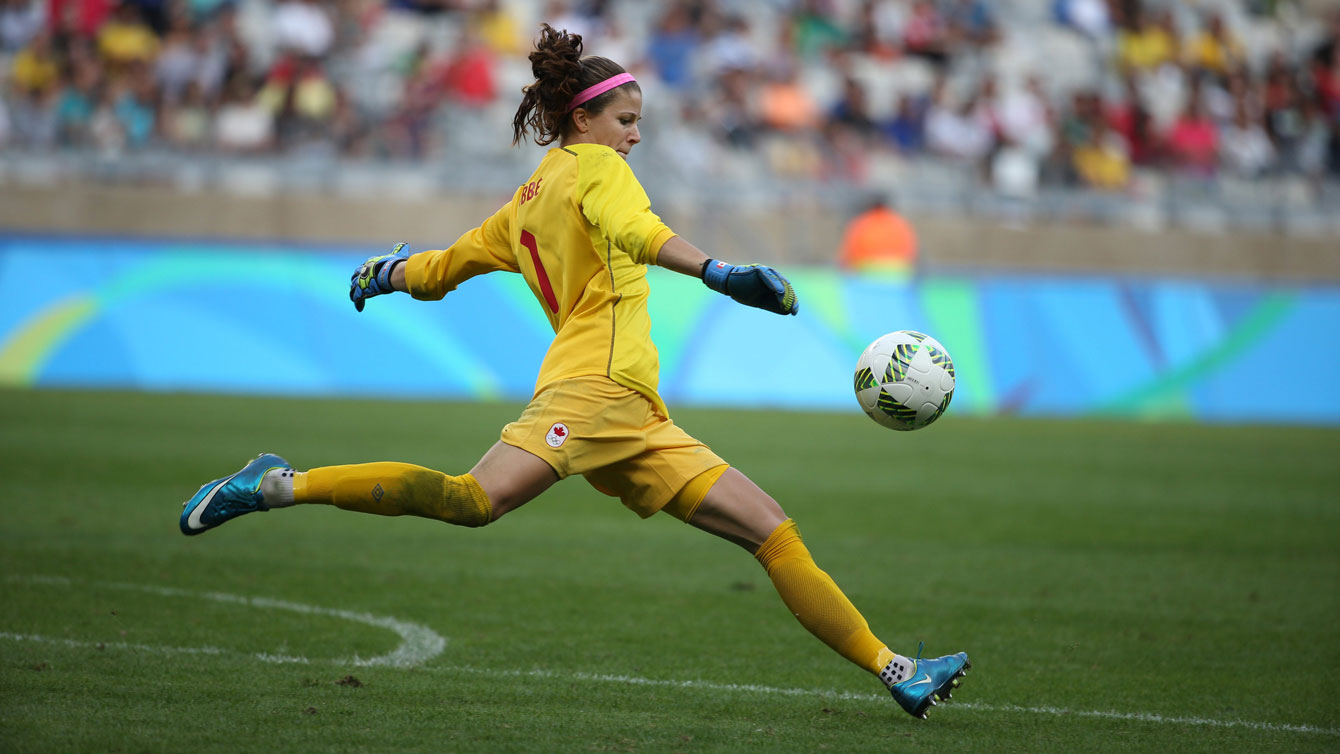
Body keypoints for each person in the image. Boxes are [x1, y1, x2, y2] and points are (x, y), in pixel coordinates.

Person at [178, 24, 969, 720]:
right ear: (581, 118)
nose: (633, 138)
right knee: (472, 500)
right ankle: (280, 484)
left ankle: (893, 669)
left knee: (772, 531)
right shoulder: (597, 168)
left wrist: (385, 274)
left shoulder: (524, 199)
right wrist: (720, 272)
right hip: (595, 394)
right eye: (626, 121)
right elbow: (638, 230)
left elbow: (443, 266)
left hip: (634, 415)